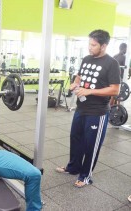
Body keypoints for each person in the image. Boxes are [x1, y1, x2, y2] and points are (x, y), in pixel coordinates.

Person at [56, 29, 121, 188]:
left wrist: (90, 91)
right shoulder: (86, 59)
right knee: (75, 139)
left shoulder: (112, 64)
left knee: (91, 145)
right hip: (81, 108)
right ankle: (73, 167)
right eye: (89, 44)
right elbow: (79, 77)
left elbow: (115, 90)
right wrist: (75, 84)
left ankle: (85, 176)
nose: (89, 47)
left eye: (93, 45)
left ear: (103, 46)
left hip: (97, 112)